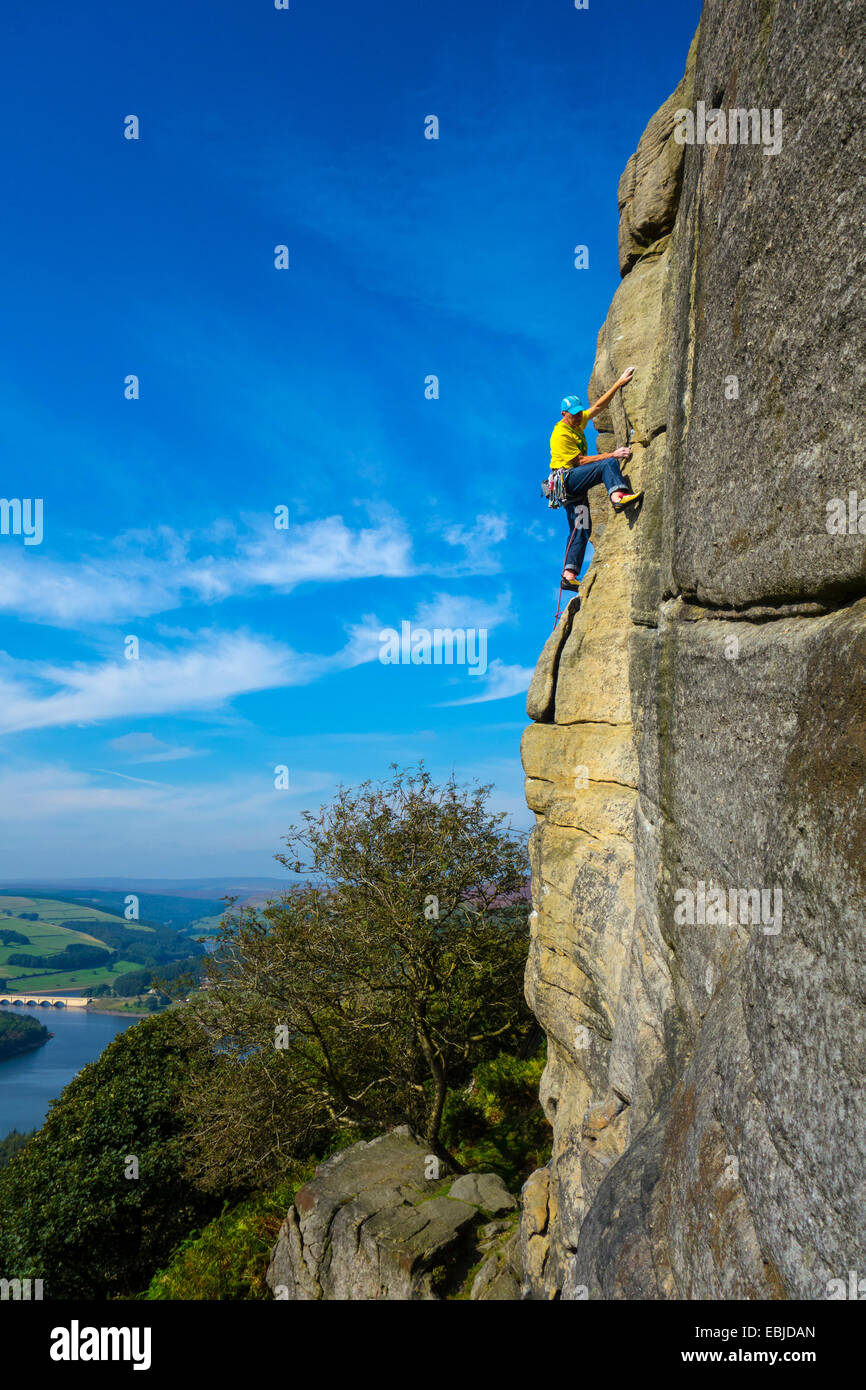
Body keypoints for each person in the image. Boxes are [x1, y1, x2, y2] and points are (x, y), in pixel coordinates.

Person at [550, 367, 643, 591]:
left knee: (581, 526)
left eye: (578, 412)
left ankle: (569, 574)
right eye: (573, 413)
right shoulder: (560, 434)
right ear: (564, 414)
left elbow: (599, 406)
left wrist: (618, 383)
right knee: (607, 464)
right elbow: (579, 462)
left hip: (573, 491)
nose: (577, 416)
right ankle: (618, 496)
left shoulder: (578, 419)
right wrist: (612, 454)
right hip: (567, 480)